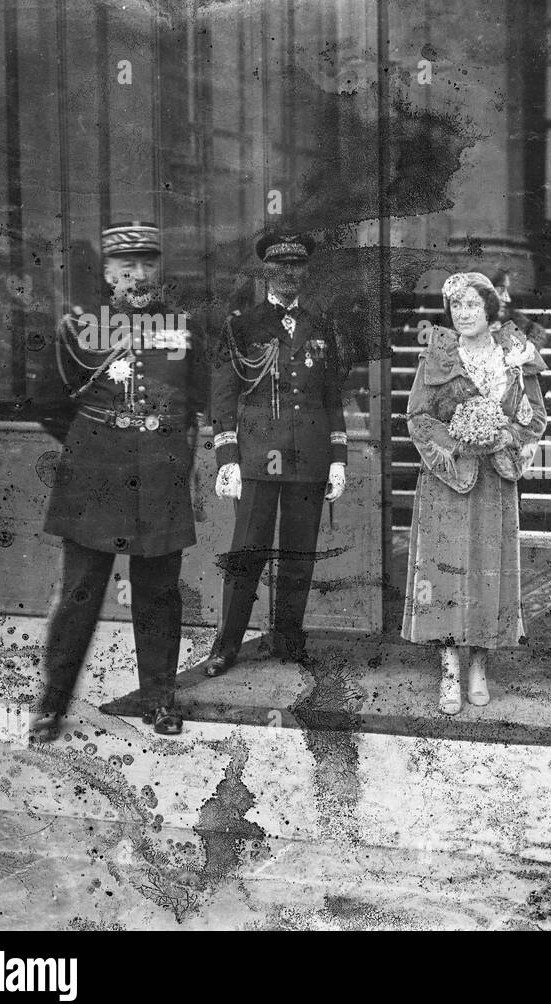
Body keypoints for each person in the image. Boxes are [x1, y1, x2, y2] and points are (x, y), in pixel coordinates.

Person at [31, 221, 206, 741]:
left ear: (160, 269)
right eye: (126, 266)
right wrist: (96, 444)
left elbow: (196, 400)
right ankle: (52, 703)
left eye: (148, 264)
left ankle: (158, 699)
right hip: (95, 478)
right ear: (108, 272)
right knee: (81, 592)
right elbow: (46, 404)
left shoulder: (185, 327)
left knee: (158, 592)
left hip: (159, 474)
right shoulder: (79, 325)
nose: (138, 274)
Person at [202, 233, 348, 677]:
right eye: (280, 266)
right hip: (256, 456)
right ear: (265, 271)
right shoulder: (242, 324)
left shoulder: (322, 325)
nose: (289, 274)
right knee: (247, 552)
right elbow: (223, 395)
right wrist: (226, 456)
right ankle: (226, 646)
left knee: (300, 553)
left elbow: (332, 396)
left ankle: (289, 639)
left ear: (305, 273)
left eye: (297, 267)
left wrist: (339, 457)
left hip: (309, 454)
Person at [402, 272, 548, 715]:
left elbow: (535, 417)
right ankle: (449, 667)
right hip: (448, 481)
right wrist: (457, 441)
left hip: (494, 481)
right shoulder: (439, 357)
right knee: (446, 572)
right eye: (456, 307)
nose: (463, 314)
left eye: (471, 305)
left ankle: (479, 665)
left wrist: (501, 433)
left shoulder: (515, 357)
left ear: (490, 309)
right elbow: (417, 417)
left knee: (488, 570)